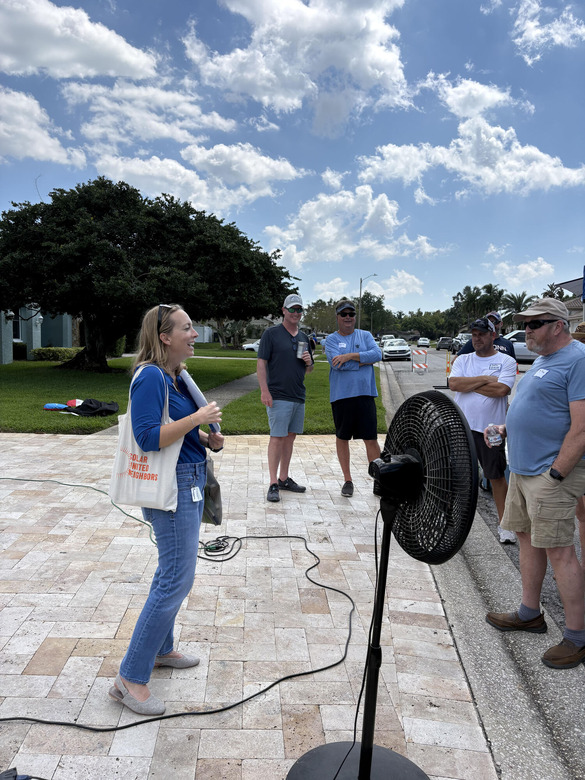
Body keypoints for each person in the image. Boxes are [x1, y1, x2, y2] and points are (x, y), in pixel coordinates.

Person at [109, 304, 224, 715]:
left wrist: (208, 438)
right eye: (187, 328)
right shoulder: (151, 377)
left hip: (189, 477)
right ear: (164, 337)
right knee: (176, 578)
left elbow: (181, 434)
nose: (195, 333)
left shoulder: (177, 377)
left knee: (171, 573)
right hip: (172, 488)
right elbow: (146, 437)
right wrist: (197, 417)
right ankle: (130, 678)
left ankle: (162, 650)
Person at [484, 298, 585, 670]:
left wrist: (557, 473)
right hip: (523, 471)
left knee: (560, 551)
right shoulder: (543, 361)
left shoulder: (578, 360)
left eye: (534, 324)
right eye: (524, 324)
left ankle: (577, 636)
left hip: (549, 474)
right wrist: (505, 428)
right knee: (527, 540)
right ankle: (530, 613)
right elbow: (540, 411)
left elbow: (582, 427)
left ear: (558, 325)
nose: (526, 331)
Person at [449, 317, 517, 542]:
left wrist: (471, 383)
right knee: (457, 475)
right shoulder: (463, 359)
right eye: (474, 334)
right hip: (463, 426)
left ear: (492, 335)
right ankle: (453, 522)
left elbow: (502, 389)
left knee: (497, 476)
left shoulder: (506, 361)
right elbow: (454, 384)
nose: (477, 338)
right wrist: (485, 379)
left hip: (493, 429)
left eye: (481, 334)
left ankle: (505, 525)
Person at [257, 293, 314, 502]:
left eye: (299, 309)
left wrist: (309, 362)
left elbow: (309, 370)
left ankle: (283, 478)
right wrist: (264, 390)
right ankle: (273, 483)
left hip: (298, 395)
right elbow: (261, 363)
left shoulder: (303, 338)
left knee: (290, 437)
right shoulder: (271, 334)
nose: (296, 313)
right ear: (283, 310)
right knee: (277, 437)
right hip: (278, 395)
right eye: (292, 309)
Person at [325, 299, 382, 497]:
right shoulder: (331, 340)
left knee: (371, 438)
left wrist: (349, 356)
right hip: (342, 396)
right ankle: (347, 480)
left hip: (365, 395)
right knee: (342, 438)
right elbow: (335, 364)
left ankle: (379, 480)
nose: (348, 317)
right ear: (338, 317)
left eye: (351, 314)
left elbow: (377, 354)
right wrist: (363, 360)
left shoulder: (365, 335)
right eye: (344, 314)